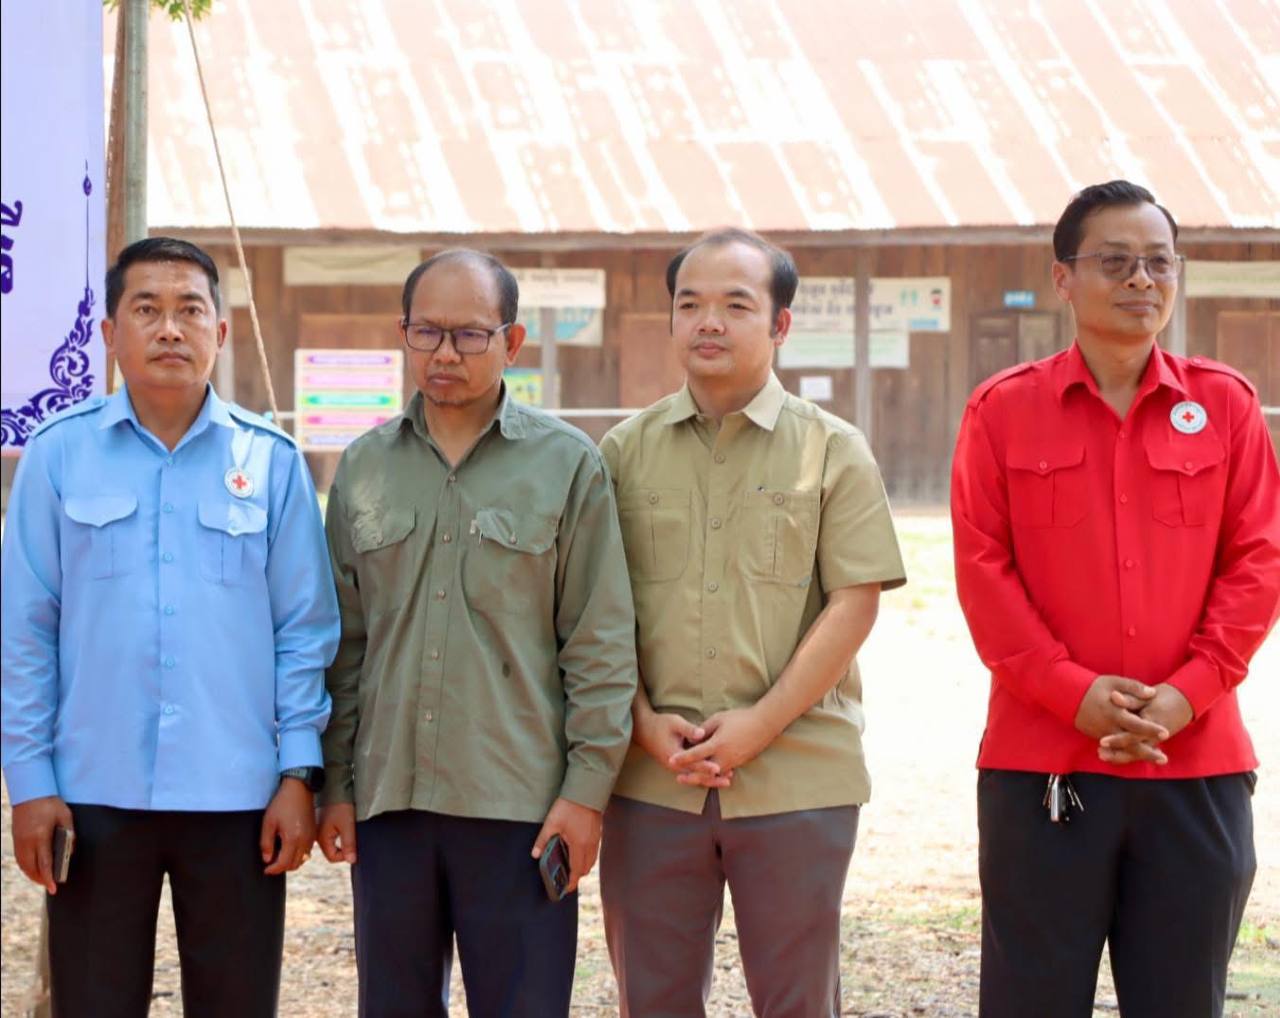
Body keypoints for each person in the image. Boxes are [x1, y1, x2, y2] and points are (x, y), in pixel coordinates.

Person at [951, 180, 1280, 1018]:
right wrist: (1074, 694)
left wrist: (1187, 695)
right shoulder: (1002, 411)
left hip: (1194, 763)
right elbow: (984, 575)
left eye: (1159, 263)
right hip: (1044, 767)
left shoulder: (1226, 405)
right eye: (1116, 261)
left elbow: (1258, 563)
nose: (1142, 279)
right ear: (1063, 278)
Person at [1, 237, 339, 1017]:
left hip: (239, 798)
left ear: (221, 330)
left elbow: (304, 631)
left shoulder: (272, 462)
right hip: (92, 792)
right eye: (146, 309)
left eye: (189, 309)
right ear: (109, 332)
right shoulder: (57, 457)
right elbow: (25, 633)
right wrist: (31, 784)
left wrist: (298, 776)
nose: (169, 329)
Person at [317, 248, 637, 1018]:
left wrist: (586, 794)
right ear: (403, 333)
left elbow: (598, 644)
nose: (445, 354)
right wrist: (336, 785)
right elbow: (343, 645)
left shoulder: (567, 466)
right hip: (390, 804)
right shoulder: (363, 468)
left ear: (512, 342)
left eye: (469, 334)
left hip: (521, 807)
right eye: (426, 332)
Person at [598, 227, 906, 1017]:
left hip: (796, 773)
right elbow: (593, 612)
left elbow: (854, 602)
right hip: (651, 778)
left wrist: (760, 725)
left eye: (736, 305)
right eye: (689, 304)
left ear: (780, 324)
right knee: (652, 1001)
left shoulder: (833, 451)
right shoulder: (621, 454)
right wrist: (642, 723)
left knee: (797, 1001)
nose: (708, 322)